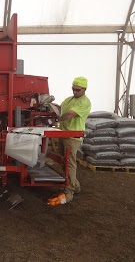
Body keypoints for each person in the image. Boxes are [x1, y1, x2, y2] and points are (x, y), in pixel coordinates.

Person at [48, 76, 91, 206]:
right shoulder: (68, 100)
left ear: (84, 89)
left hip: (73, 137)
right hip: (63, 134)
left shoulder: (85, 102)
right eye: (73, 89)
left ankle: (69, 190)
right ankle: (75, 185)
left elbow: (69, 115)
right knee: (63, 162)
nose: (75, 92)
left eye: (77, 90)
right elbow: (59, 110)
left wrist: (57, 120)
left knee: (70, 163)